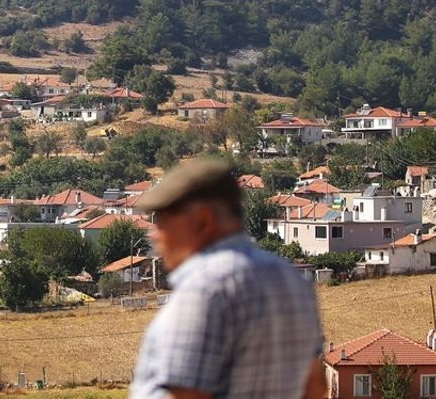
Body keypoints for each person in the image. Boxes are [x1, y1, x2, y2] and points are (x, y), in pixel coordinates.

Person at [129, 159, 326, 399]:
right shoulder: (293, 281)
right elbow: (315, 388)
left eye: (161, 222)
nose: (154, 235)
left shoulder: (204, 291)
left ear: (202, 221)